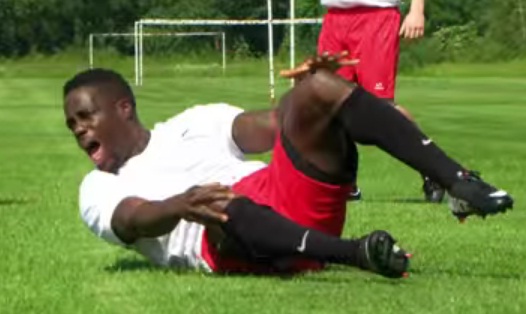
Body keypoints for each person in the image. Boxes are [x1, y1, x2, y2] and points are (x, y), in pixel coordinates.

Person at [63, 56, 512, 278]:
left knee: (316, 91)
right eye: (72, 125)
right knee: (219, 203)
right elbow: (131, 219)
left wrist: (315, 99)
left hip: (283, 195)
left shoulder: (192, 123)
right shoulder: (97, 187)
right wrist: (181, 204)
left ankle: (457, 181)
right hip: (228, 241)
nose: (80, 130)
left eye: (86, 117)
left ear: (123, 108)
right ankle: (358, 253)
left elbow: (277, 125)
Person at [317, 0, 443, 202]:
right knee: (331, 106)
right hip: (334, 18)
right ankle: (345, 183)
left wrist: (417, 10)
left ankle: (433, 168)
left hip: (376, 16)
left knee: (381, 109)